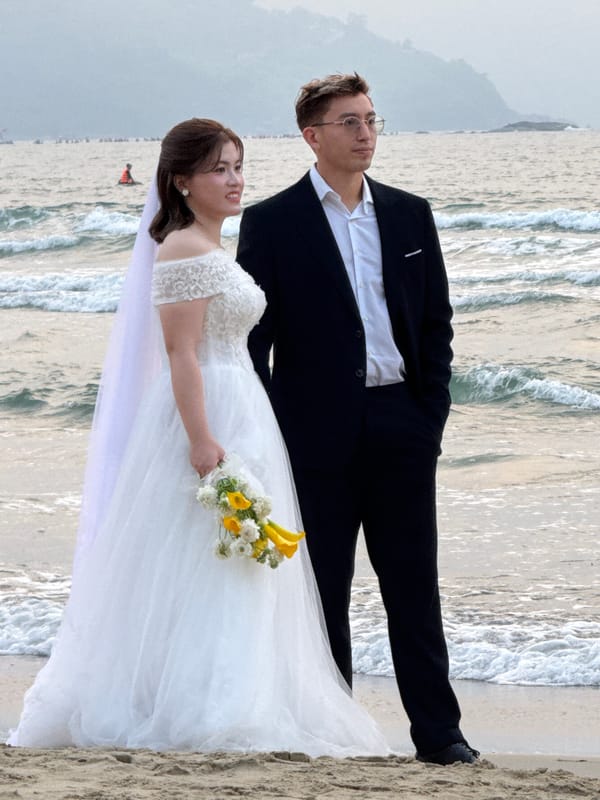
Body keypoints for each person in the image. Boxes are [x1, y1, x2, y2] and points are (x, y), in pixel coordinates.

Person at [7, 118, 388, 756]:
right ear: (182, 181)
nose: (235, 180)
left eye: (238, 166)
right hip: (209, 409)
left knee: (238, 558)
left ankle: (237, 690)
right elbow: (180, 354)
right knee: (209, 558)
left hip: (242, 401)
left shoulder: (210, 245)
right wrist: (202, 440)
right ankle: (208, 704)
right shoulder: (183, 247)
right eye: (218, 169)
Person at [236, 74, 479, 765]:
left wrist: (428, 415)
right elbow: (255, 342)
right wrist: (271, 434)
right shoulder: (274, 222)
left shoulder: (409, 214)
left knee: (412, 586)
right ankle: (334, 731)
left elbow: (436, 325)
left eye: (371, 119)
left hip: (401, 423)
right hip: (315, 436)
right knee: (324, 593)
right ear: (312, 136)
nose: (365, 133)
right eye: (349, 122)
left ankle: (440, 734)